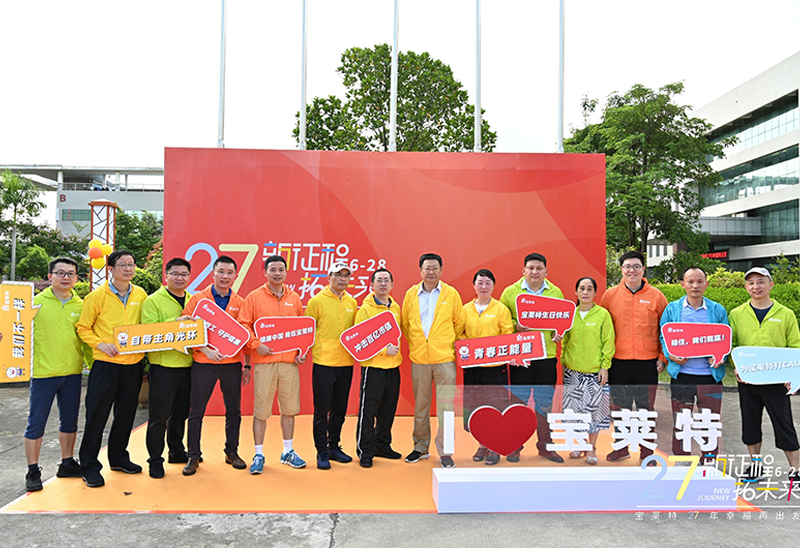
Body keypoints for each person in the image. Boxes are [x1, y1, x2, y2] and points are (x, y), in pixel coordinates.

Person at [76, 250, 149, 488]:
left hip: (133, 365)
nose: (128, 269)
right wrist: (101, 344)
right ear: (111, 269)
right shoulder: (97, 296)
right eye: (123, 265)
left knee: (126, 415)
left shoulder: (140, 294)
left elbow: (148, 325)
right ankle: (89, 466)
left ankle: (118, 458)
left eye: (131, 264)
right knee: (97, 416)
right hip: (106, 365)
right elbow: (83, 327)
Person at [23, 258, 92, 491]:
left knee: (70, 421)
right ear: (49, 276)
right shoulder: (34, 304)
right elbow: (15, 331)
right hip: (43, 373)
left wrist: (94, 366)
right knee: (36, 422)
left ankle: (67, 462)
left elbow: (86, 340)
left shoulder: (81, 305)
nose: (65, 277)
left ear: (76, 278)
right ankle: (33, 470)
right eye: (60, 273)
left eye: (70, 274)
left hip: (72, 373)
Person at [181, 255, 250, 476]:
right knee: (196, 411)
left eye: (230, 273)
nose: (225, 276)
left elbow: (245, 335)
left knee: (234, 410)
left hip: (232, 364)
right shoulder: (199, 299)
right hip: (204, 362)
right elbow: (187, 329)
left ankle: (232, 452)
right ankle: (193, 456)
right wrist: (205, 349)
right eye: (221, 271)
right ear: (213, 274)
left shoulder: (240, 302)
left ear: (235, 276)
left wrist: (247, 366)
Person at [239, 255, 308, 473]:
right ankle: (258, 454)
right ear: (265, 272)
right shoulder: (253, 297)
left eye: (281, 269)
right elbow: (243, 325)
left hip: (289, 365)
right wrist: (256, 344)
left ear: (286, 272)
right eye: (273, 269)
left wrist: (301, 352)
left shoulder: (294, 298)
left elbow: (301, 330)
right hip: (264, 363)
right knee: (261, 411)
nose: (277, 273)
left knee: (289, 409)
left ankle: (288, 451)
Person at [730, 267, 800, 479]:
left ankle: (796, 470)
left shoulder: (785, 314)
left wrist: (793, 375)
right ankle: (756, 466)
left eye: (761, 282)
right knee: (750, 425)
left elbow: (795, 346)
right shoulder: (736, 314)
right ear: (746, 287)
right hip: (748, 380)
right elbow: (733, 345)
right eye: (751, 283)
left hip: (776, 380)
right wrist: (736, 366)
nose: (756, 287)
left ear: (771, 284)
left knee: (784, 424)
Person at [600, 250, 667, 464]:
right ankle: (621, 448)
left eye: (636, 266)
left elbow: (665, 330)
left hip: (648, 363)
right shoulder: (610, 295)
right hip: (618, 362)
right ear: (621, 269)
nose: (632, 270)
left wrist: (662, 357)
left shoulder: (656, 296)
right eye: (628, 266)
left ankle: (647, 450)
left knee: (646, 409)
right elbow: (602, 329)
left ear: (643, 269)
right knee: (620, 408)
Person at [498, 252, 565, 463]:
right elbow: (502, 321)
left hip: (547, 357)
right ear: (523, 270)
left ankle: (545, 446)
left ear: (546, 271)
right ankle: (514, 445)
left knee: (545, 404)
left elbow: (562, 321)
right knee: (518, 403)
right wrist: (515, 326)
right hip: (521, 358)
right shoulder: (510, 292)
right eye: (531, 268)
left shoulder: (556, 292)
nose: (535, 272)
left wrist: (560, 333)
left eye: (539, 268)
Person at [401, 253, 465, 468]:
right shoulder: (411, 294)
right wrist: (420, 345)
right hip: (419, 359)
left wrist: (445, 344)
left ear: (441, 270)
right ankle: (420, 447)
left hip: (444, 359)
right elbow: (406, 325)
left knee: (446, 407)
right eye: (427, 268)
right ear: (420, 270)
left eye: (435, 268)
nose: (431, 272)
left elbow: (459, 323)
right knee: (421, 405)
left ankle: (446, 452)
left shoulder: (451, 294)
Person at [659, 266, 728, 460]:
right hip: (682, 376)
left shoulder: (717, 310)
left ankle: (709, 460)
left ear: (706, 284)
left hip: (710, 377)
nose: (695, 285)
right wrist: (670, 355)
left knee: (710, 422)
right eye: (690, 281)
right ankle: (682, 459)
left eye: (699, 281)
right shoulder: (672, 309)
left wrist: (721, 356)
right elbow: (663, 336)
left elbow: (725, 339)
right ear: (683, 284)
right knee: (681, 421)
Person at [142, 257, 194, 479]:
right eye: (175, 274)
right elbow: (148, 332)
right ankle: (155, 460)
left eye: (184, 274)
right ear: (166, 276)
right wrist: (178, 321)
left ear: (189, 277)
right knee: (159, 417)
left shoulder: (194, 300)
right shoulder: (153, 301)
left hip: (189, 366)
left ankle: (176, 451)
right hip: (163, 367)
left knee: (180, 414)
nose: (179, 278)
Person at [305, 262, 357, 470]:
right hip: (324, 363)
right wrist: (303, 352)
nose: (342, 279)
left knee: (340, 409)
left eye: (346, 275)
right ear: (329, 277)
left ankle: (334, 446)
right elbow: (307, 330)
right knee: (321, 410)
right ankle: (321, 451)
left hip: (346, 363)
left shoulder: (352, 302)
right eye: (338, 275)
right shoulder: (317, 301)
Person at [462, 269, 515, 466]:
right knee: (477, 407)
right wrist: (465, 344)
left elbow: (508, 335)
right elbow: (459, 333)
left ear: (493, 286)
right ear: (474, 285)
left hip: (495, 368)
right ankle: (482, 444)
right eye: (480, 283)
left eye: (487, 283)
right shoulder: (465, 309)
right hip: (473, 367)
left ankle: (495, 447)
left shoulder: (501, 309)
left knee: (495, 406)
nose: (484, 287)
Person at [560, 277, 615, 465]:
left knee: (594, 412)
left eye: (589, 289)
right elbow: (565, 342)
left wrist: (605, 366)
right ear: (576, 292)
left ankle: (592, 448)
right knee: (575, 412)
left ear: (595, 293)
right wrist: (564, 363)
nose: (585, 292)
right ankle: (580, 444)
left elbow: (608, 342)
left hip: (594, 373)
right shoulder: (570, 314)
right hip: (573, 372)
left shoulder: (602, 314)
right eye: (582, 288)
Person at [355, 268, 403, 468]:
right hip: (373, 368)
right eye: (379, 280)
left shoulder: (396, 308)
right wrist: (384, 350)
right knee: (368, 411)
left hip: (393, 368)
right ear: (372, 285)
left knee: (387, 410)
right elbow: (360, 341)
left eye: (386, 280)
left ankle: (382, 445)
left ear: (392, 285)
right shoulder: (365, 310)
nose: (383, 284)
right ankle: (365, 450)